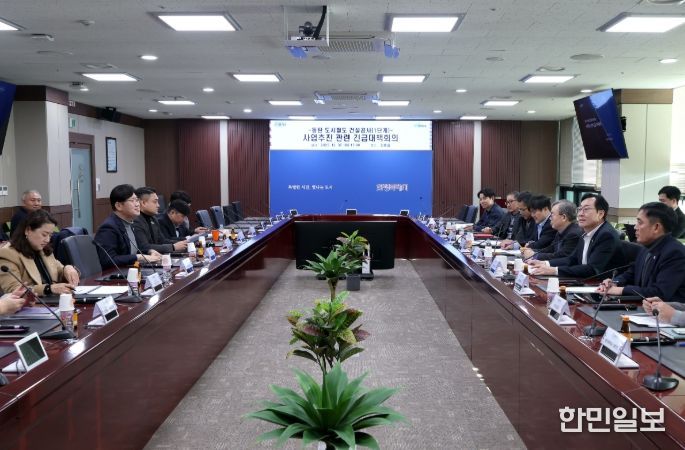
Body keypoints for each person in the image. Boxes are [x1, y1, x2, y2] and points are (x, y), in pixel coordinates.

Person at [598, 202, 685, 301]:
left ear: (656, 227)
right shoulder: (646, 247)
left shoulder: (675, 253)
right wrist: (615, 282)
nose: (635, 227)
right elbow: (632, 273)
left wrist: (621, 290)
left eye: (640, 222)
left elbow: (659, 293)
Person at [529, 194, 623, 278]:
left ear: (601, 214)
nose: (581, 214)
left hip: (598, 285)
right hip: (583, 281)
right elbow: (572, 259)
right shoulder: (585, 232)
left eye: (586, 209)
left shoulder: (606, 235)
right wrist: (545, 263)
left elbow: (592, 269)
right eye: (580, 209)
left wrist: (555, 270)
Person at [0, 210, 80, 296]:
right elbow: (13, 290)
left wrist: (68, 269)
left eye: (50, 235)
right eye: (44, 235)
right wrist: (48, 289)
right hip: (33, 303)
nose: (47, 240)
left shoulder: (44, 249)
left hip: (53, 300)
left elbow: (59, 271)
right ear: (27, 230)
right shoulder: (7, 253)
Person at [94, 184, 161, 269]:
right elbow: (108, 260)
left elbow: (132, 250)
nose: (137, 204)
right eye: (132, 201)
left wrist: (149, 251)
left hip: (132, 271)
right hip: (116, 274)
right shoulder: (109, 228)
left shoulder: (130, 224)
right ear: (118, 206)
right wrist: (138, 257)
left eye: (137, 200)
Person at [133, 187, 188, 254]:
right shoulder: (135, 220)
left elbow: (161, 241)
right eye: (155, 202)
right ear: (143, 203)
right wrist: (173, 247)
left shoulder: (153, 218)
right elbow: (143, 247)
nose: (158, 205)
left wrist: (184, 243)